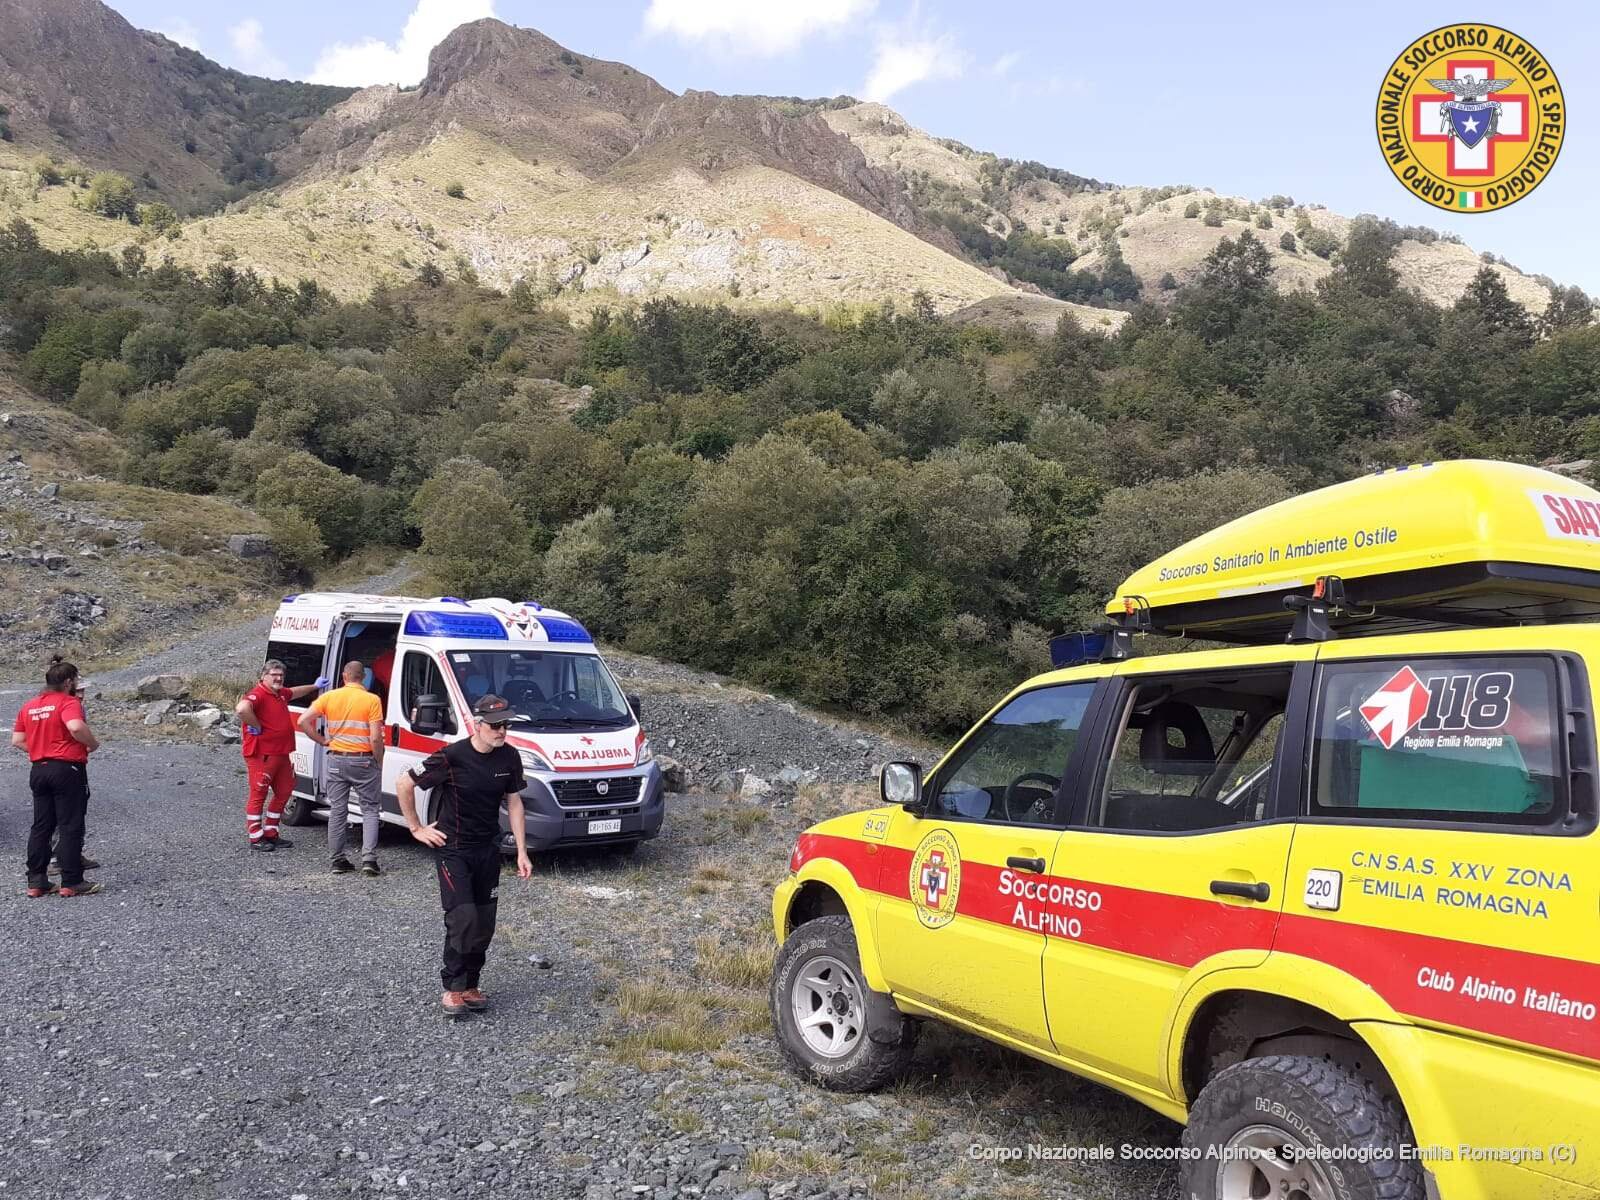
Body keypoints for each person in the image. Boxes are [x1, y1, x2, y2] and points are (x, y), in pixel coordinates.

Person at [396, 694, 532, 1018]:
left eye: (506, 725)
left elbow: (514, 803)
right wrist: (415, 828)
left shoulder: (509, 757)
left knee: (484, 922)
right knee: (464, 917)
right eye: (496, 726)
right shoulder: (452, 756)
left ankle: (472, 984)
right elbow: (405, 782)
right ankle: (453, 988)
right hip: (454, 849)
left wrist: (522, 852)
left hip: (488, 849)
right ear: (476, 724)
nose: (502, 731)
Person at [11, 656, 100, 897]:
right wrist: (92, 744)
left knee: (41, 825)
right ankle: (72, 881)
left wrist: (43, 748)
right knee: (70, 824)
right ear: (69, 682)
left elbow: (17, 740)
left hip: (39, 769)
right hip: (67, 769)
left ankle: (37, 881)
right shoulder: (67, 702)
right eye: (77, 680)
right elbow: (75, 727)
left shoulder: (29, 705)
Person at [299, 661, 385, 876]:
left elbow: (303, 720)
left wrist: (322, 740)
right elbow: (375, 738)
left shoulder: (329, 697)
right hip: (364, 761)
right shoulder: (372, 700)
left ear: (345, 676)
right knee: (370, 809)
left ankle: (338, 860)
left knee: (338, 810)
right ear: (363, 677)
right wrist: (379, 760)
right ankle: (369, 860)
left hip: (336, 760)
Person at [236, 660, 324, 853]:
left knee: (285, 791)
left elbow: (294, 692)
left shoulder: (280, 693)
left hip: (281, 753)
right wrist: (256, 725)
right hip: (263, 754)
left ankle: (271, 832)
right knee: (258, 794)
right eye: (274, 675)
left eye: (280, 676)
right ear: (263, 676)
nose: (278, 678)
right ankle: (256, 837)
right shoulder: (258, 694)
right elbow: (242, 709)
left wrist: (315, 686)